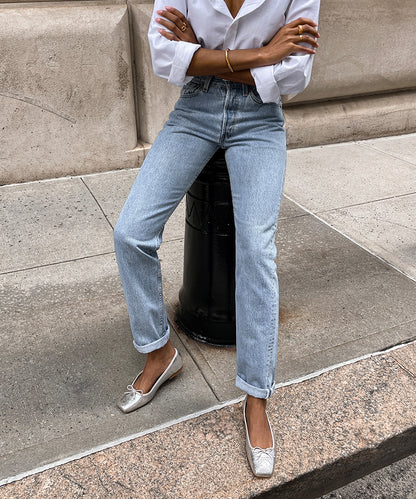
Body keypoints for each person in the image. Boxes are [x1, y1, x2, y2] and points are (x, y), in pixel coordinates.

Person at [114, 0, 320, 478]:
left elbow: (294, 75)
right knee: (131, 232)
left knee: (256, 249)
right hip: (195, 110)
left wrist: (204, 55)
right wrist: (261, 54)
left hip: (260, 121)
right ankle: (159, 351)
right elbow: (166, 57)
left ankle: (255, 398)